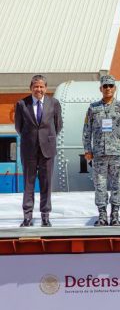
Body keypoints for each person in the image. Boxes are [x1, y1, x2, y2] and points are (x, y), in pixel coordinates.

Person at [82, 75, 120, 226]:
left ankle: (115, 215)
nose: (108, 89)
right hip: (99, 154)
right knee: (100, 185)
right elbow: (87, 130)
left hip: (117, 153)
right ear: (100, 89)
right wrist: (87, 149)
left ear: (115, 88)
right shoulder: (93, 108)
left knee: (118, 184)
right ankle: (102, 215)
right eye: (105, 86)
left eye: (111, 86)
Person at [15, 74, 62, 227]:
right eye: (36, 86)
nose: (39, 89)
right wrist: (31, 138)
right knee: (28, 183)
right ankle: (27, 216)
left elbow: (58, 125)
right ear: (31, 88)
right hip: (29, 149)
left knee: (46, 183)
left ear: (46, 88)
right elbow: (18, 127)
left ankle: (45, 216)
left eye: (41, 86)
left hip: (47, 149)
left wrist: (46, 138)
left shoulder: (54, 103)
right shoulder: (22, 104)